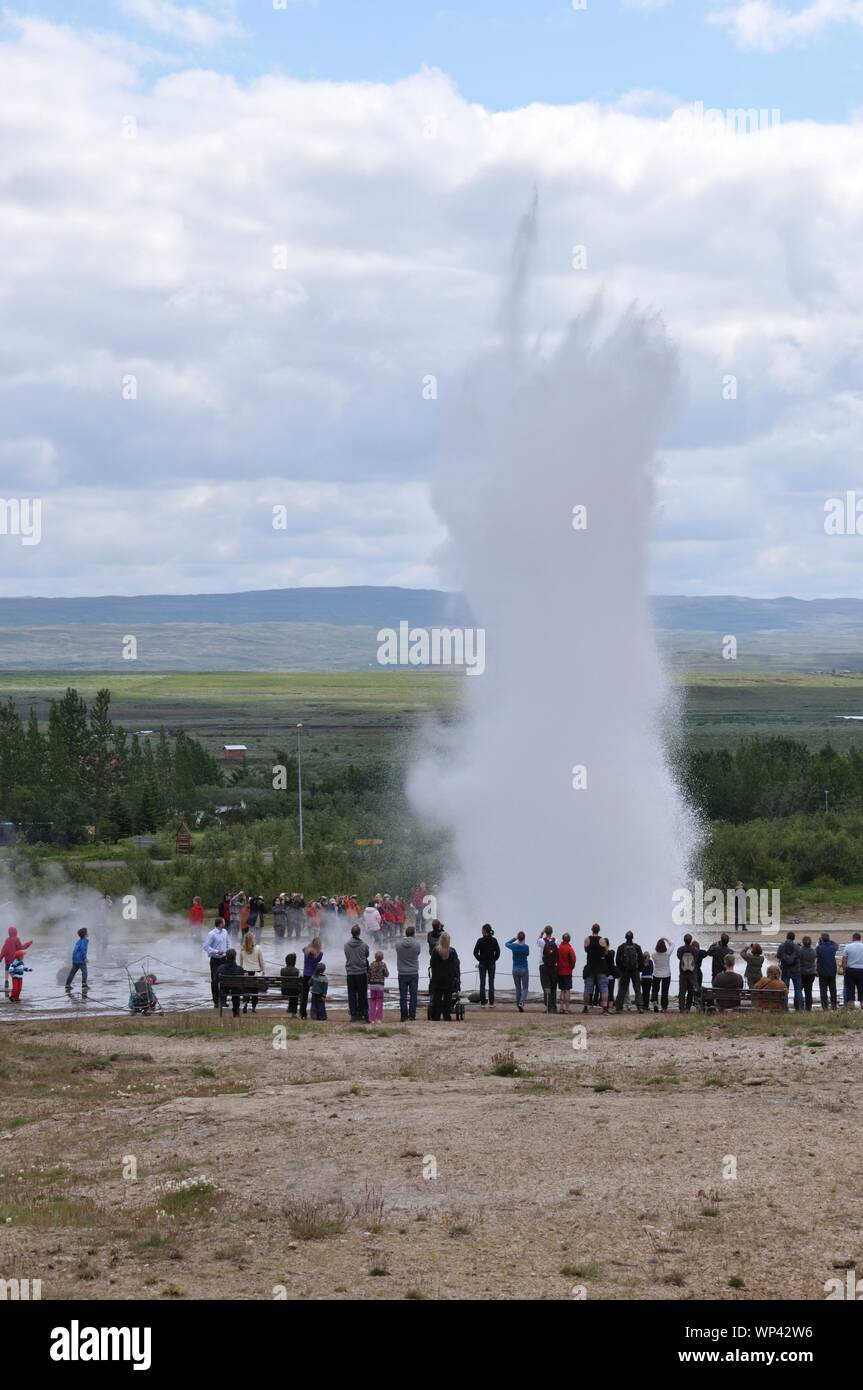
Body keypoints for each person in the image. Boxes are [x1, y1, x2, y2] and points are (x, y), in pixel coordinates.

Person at [429, 931, 460, 1021]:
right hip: (448, 978)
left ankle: (436, 1016)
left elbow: (432, 964)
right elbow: (455, 965)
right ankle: (447, 1015)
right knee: (448, 998)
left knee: (437, 998)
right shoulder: (452, 952)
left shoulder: (435, 951)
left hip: (437, 978)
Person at [395, 924, 421, 1021]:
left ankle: (403, 1016)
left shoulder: (398, 944)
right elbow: (418, 953)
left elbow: (397, 951)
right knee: (413, 995)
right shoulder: (417, 944)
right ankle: (412, 1015)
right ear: (414, 934)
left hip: (402, 972)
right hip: (413, 972)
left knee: (403, 996)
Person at [344, 924, 370, 1022]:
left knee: (352, 995)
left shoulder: (346, 945)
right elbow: (367, 955)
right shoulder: (364, 945)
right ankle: (364, 1014)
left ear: (352, 933)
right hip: (361, 972)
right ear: (359, 933)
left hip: (350, 972)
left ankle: (354, 1015)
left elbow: (347, 956)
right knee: (362, 994)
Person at [203, 917, 230, 1008]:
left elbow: (228, 943)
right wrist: (216, 951)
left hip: (224, 959)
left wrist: (229, 952)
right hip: (215, 960)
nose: (225, 923)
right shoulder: (211, 934)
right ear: (220, 924)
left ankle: (223, 1001)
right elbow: (206, 947)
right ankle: (216, 1001)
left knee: (225, 980)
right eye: (224, 922)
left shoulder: (225, 932)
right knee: (215, 981)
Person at [582, 924, 609, 1014]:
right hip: (600, 967)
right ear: (599, 930)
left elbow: (585, 950)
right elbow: (606, 951)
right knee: (604, 988)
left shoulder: (587, 939)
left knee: (587, 988)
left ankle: (585, 1007)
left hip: (590, 966)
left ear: (592, 930)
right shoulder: (602, 940)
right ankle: (605, 1008)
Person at [614, 932, 644, 1012]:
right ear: (632, 938)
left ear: (625, 938)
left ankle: (619, 1007)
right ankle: (640, 1006)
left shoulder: (621, 947)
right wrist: (640, 969)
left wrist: (622, 969)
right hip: (635, 970)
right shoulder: (637, 947)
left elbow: (617, 960)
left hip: (625, 970)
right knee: (637, 989)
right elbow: (641, 959)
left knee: (622, 989)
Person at [473, 924, 500, 1007]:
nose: (481, 931)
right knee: (491, 983)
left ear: (485, 931)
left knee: (482, 983)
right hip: (491, 964)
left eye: (482, 929)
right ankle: (491, 1003)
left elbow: (475, 952)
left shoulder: (480, 940)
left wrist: (480, 959)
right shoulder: (494, 940)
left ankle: (483, 1003)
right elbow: (498, 951)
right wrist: (494, 959)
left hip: (482, 964)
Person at [238, 930, 265, 1013]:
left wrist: (242, 971)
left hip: (245, 971)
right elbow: (261, 961)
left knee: (246, 989)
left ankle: (245, 1004)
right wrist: (263, 970)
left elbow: (241, 963)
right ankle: (253, 1007)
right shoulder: (258, 948)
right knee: (254, 990)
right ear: (252, 939)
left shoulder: (242, 949)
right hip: (255, 972)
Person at [2, 927, 32, 997]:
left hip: (7, 960)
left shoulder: (7, 940)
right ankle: (15, 991)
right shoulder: (16, 939)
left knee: (7, 969)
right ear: (16, 932)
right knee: (15, 975)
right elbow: (21, 948)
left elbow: (3, 950)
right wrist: (28, 943)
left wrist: (0, 958)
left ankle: (6, 981)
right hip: (15, 960)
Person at [777, 931, 803, 1012]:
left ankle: (785, 1008)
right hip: (796, 970)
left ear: (787, 937)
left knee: (784, 989)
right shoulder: (797, 947)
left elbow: (778, 956)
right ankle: (799, 1008)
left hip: (785, 969)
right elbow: (800, 956)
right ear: (793, 938)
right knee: (798, 989)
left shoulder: (781, 946)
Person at [505, 932, 530, 1011]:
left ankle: (518, 1004)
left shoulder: (514, 946)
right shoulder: (526, 947)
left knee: (518, 988)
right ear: (524, 938)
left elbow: (506, 944)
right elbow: (527, 954)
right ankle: (521, 1003)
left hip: (515, 968)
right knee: (525, 987)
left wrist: (514, 938)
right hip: (524, 968)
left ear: (518, 938)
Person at [538, 926, 559, 1014]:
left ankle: (548, 1007)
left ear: (545, 932)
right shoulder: (556, 941)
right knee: (553, 987)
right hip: (554, 967)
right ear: (552, 932)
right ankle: (554, 1007)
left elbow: (538, 940)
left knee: (546, 987)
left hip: (544, 966)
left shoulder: (542, 941)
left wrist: (541, 933)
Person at [218, 949, 245, 1018]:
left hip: (224, 989)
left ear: (226, 957)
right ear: (235, 957)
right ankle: (236, 1012)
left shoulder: (221, 968)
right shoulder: (240, 969)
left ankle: (223, 1003)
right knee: (236, 990)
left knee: (225, 987)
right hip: (236, 990)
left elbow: (216, 980)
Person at [676, 934, 700, 1012]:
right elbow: (696, 959)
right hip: (692, 973)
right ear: (691, 940)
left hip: (683, 973)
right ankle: (688, 1007)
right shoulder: (695, 950)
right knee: (690, 991)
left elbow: (679, 957)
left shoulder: (680, 949)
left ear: (684, 940)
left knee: (682, 991)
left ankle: (681, 1008)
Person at [301, 937, 323, 1020]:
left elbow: (303, 949)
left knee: (304, 995)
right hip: (314, 976)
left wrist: (310, 947)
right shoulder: (320, 954)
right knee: (315, 994)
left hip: (306, 975)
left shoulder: (306, 951)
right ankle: (315, 1012)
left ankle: (303, 1013)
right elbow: (319, 958)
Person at [816, 933, 838, 1011]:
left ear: (821, 939)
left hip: (822, 971)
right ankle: (834, 1005)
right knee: (833, 989)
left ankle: (825, 1006)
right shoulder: (833, 947)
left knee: (823, 990)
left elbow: (816, 954)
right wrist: (829, 941)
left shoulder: (819, 948)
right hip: (832, 971)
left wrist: (820, 942)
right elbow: (836, 944)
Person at [841, 932, 863, 1008]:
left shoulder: (848, 946)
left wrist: (844, 971)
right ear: (860, 938)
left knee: (850, 989)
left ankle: (851, 1007)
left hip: (850, 970)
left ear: (853, 938)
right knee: (861, 989)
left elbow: (844, 960)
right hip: (861, 970)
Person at [651, 938, 673, 1012]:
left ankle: (654, 1002)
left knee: (655, 989)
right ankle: (664, 1007)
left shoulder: (653, 954)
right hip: (666, 974)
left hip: (656, 974)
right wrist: (666, 939)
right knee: (665, 991)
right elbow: (672, 945)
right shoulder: (667, 953)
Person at [65, 927, 89, 994]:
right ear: (85, 934)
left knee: (72, 973)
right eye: (87, 932)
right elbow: (83, 950)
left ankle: (67, 985)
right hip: (81, 960)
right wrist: (85, 958)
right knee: (84, 972)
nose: (88, 933)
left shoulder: (78, 941)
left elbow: (75, 951)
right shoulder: (84, 941)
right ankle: (84, 985)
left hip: (75, 960)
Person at [557, 933, 576, 1014]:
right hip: (567, 971)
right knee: (567, 990)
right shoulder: (569, 948)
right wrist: (571, 967)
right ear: (569, 939)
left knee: (561, 990)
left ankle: (561, 1008)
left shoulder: (559, 947)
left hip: (559, 971)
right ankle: (567, 1008)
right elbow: (573, 959)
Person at [368, 951, 389, 1022]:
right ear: (382, 957)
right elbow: (386, 974)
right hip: (380, 985)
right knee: (380, 1001)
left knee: (372, 1001)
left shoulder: (371, 964)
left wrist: (369, 981)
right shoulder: (383, 964)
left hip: (372, 985)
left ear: (375, 957)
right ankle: (378, 1018)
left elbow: (369, 974)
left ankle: (372, 1018)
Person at [799, 935, 817, 1012]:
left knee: (799, 990)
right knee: (808, 991)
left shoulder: (800, 951)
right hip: (811, 973)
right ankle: (808, 1007)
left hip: (802, 972)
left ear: (803, 942)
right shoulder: (813, 951)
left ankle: (799, 1005)